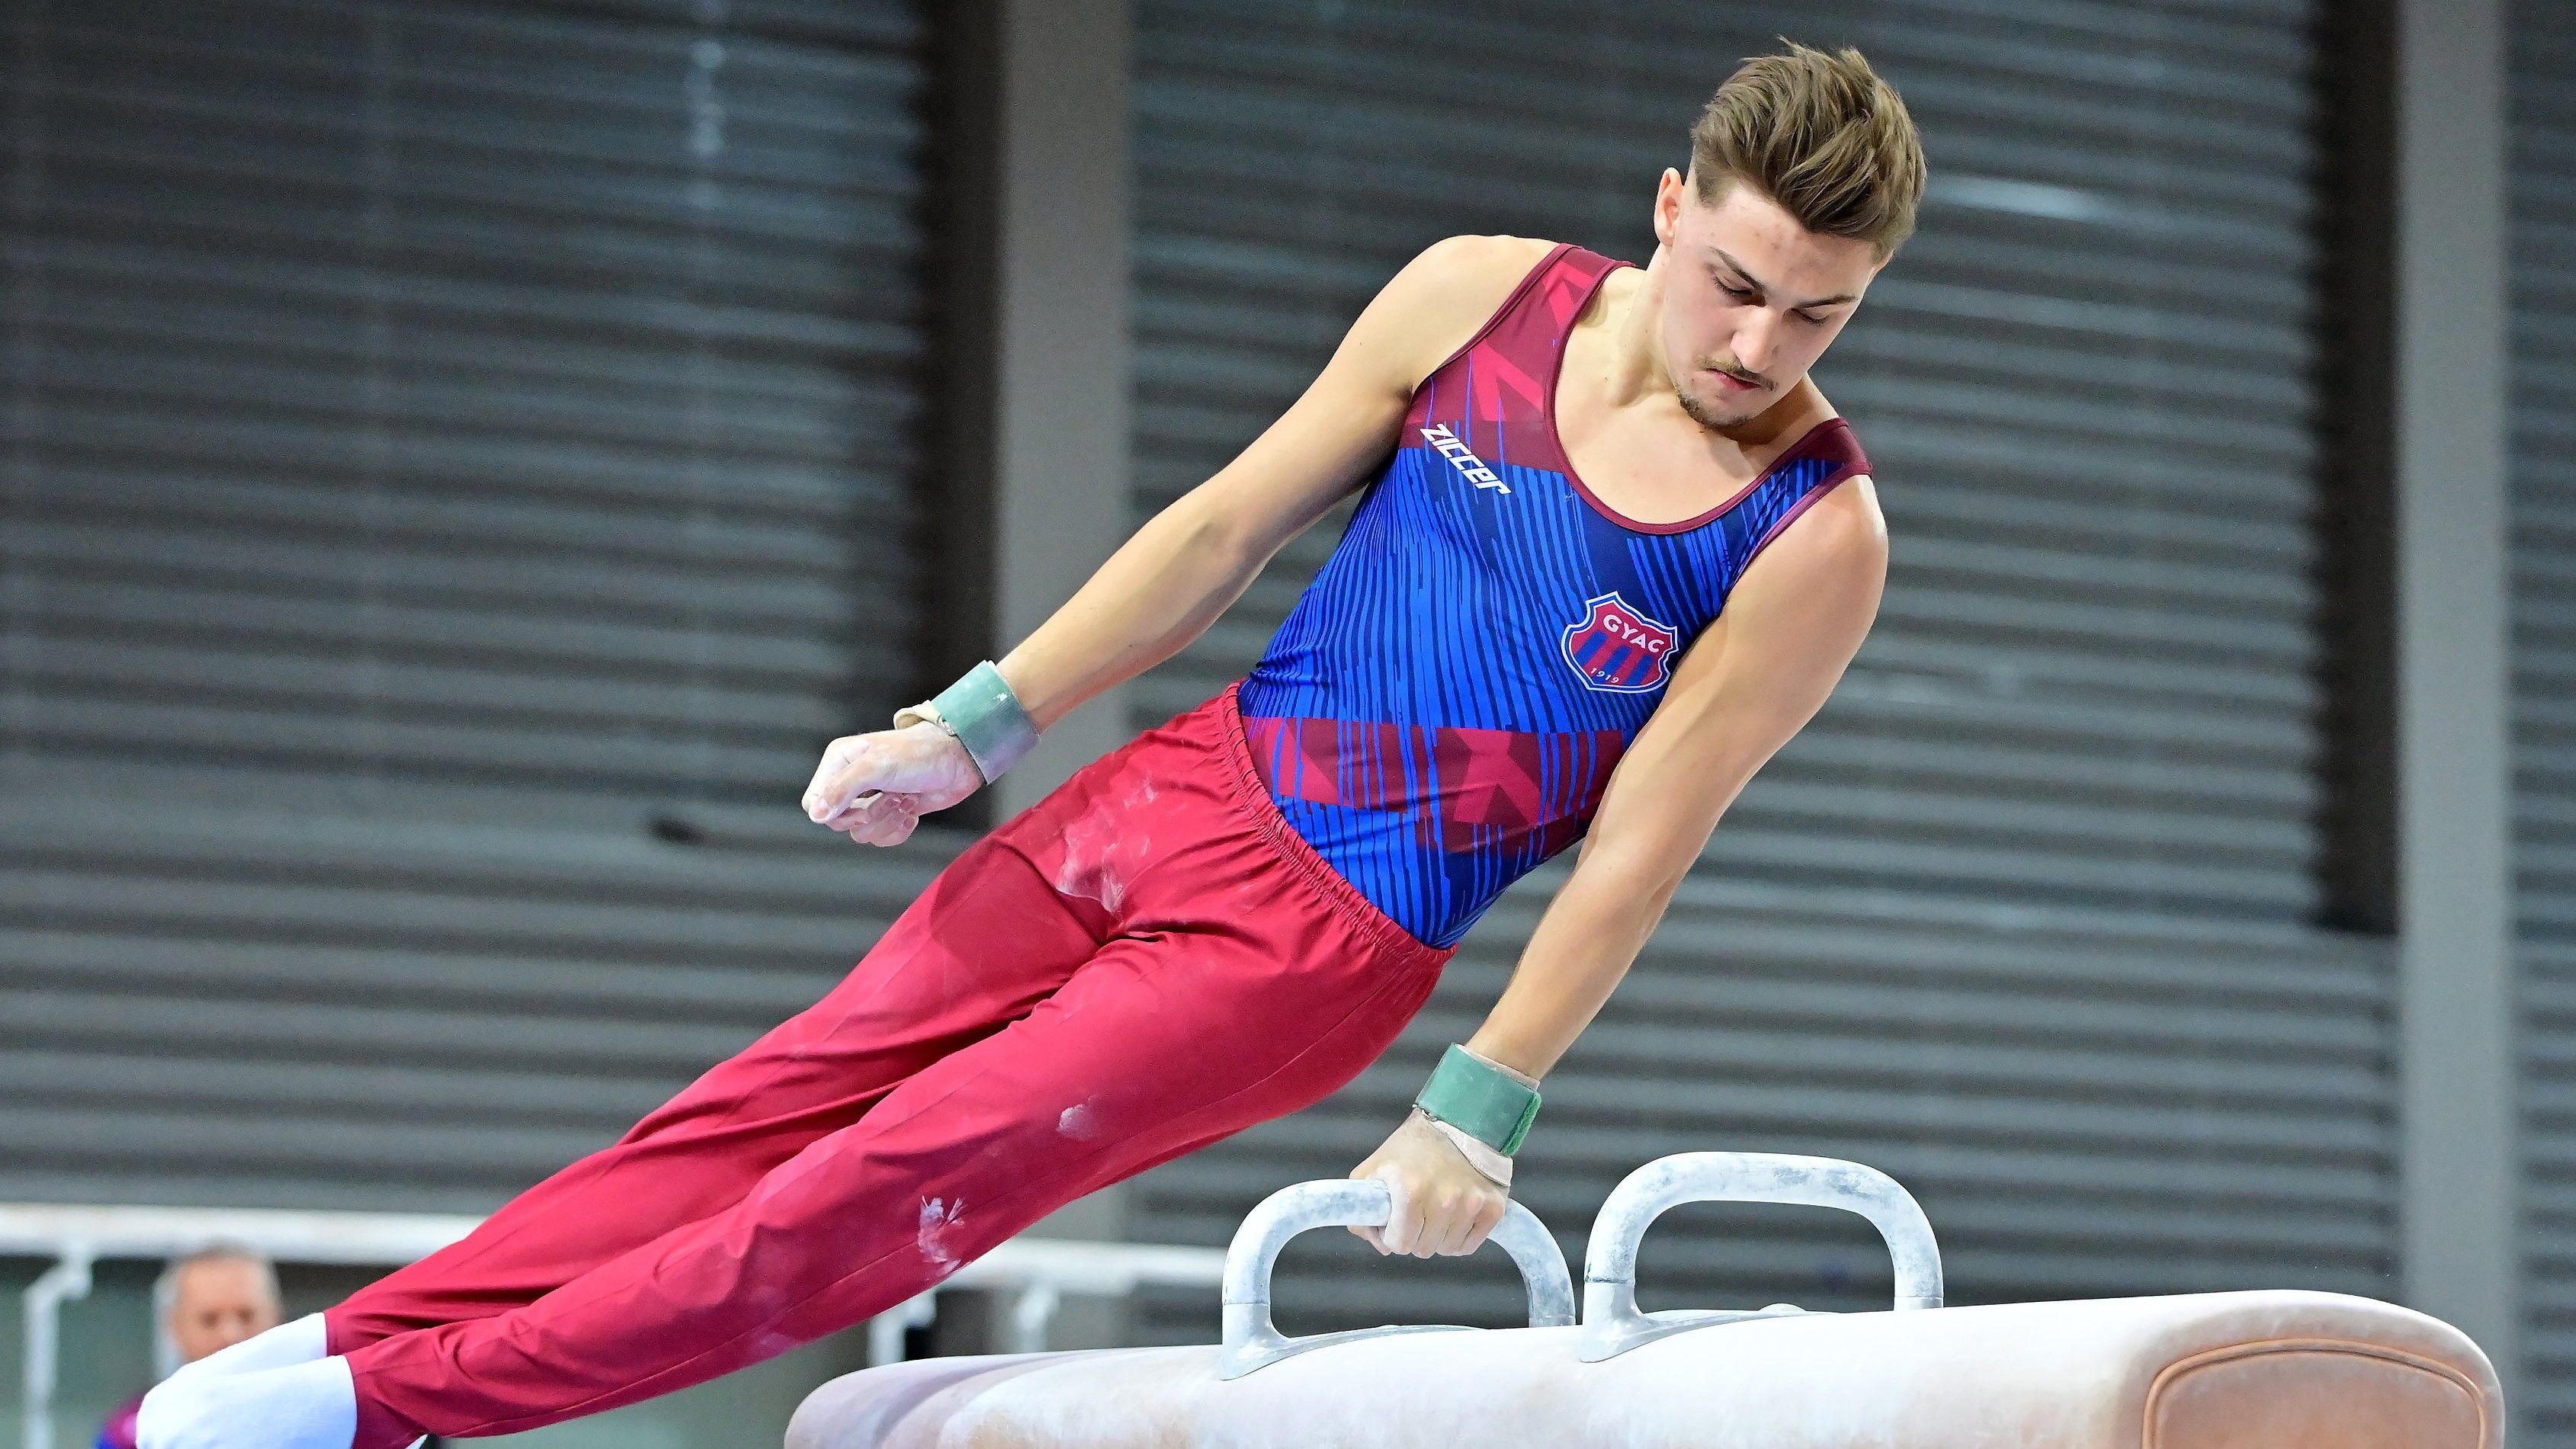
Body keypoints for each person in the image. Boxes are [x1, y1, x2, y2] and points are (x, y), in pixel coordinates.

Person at [139, 39, 1921, 1449]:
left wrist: (1478, 1104)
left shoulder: (1806, 535)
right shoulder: (1478, 293)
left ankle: (381, 1404)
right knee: (762, 1105)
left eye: (1816, 312)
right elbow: (1217, 530)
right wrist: (968, 723)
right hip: (1171, 787)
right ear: (1669, 205)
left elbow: (1643, 842)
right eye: (1736, 284)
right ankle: (328, 1359)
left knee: (862, 1189)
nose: (1756, 345)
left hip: (1320, 937)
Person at [98, 1248, 282, 1449]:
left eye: (247, 1316)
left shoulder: (312, 1413)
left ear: (276, 1316)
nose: (230, 1335)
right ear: (175, 1325)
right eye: (209, 1320)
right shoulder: (137, 1433)